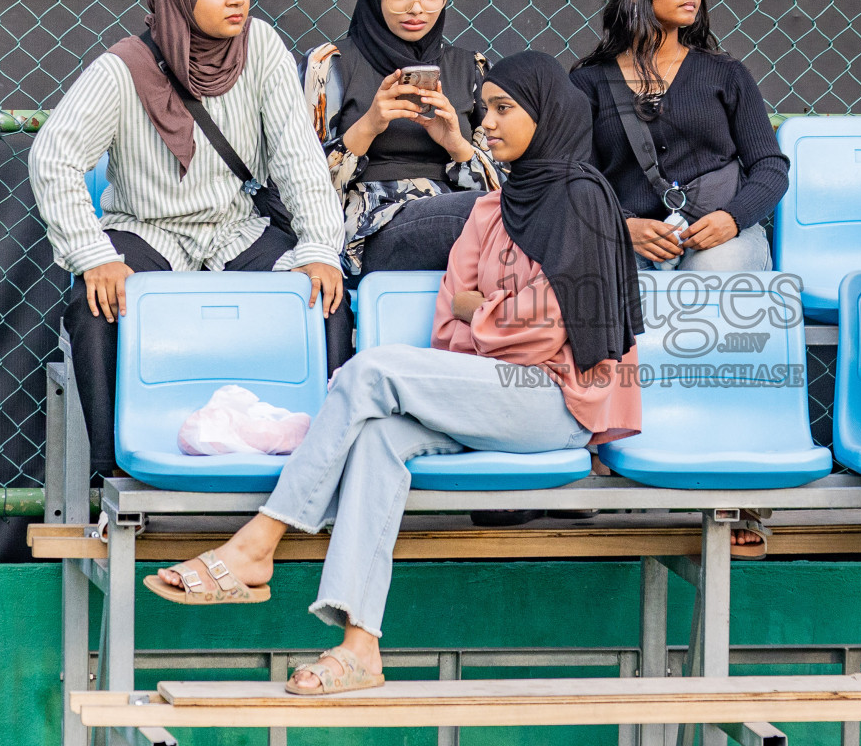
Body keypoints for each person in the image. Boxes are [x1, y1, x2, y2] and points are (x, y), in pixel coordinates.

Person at [142, 51, 643, 696]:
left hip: (554, 401)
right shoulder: (492, 209)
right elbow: (448, 320)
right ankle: (359, 648)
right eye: (483, 108)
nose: (486, 123)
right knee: (379, 437)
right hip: (482, 392)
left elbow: (550, 329)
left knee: (372, 371)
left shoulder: (582, 200)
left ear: (547, 117)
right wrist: (498, 314)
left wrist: (486, 313)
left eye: (502, 109)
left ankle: (260, 542)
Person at [30, 0, 350, 479]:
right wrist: (93, 254)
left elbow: (298, 157)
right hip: (149, 232)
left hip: (235, 229)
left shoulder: (262, 48)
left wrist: (320, 247)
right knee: (96, 304)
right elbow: (52, 158)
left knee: (324, 296)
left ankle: (329, 463)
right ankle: (115, 477)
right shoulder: (123, 69)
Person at [571, 0, 788, 272]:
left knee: (711, 270)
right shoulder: (588, 83)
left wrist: (732, 218)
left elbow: (771, 167)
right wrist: (622, 228)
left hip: (720, 239)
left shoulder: (725, 74)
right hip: (630, 239)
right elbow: (577, 179)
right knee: (602, 272)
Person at [302, 0, 501, 279]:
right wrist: (369, 126)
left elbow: (503, 185)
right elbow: (301, 183)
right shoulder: (331, 65)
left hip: (459, 212)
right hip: (370, 225)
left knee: (512, 210)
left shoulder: (469, 67)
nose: (417, 8)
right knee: (487, 215)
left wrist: (456, 144)